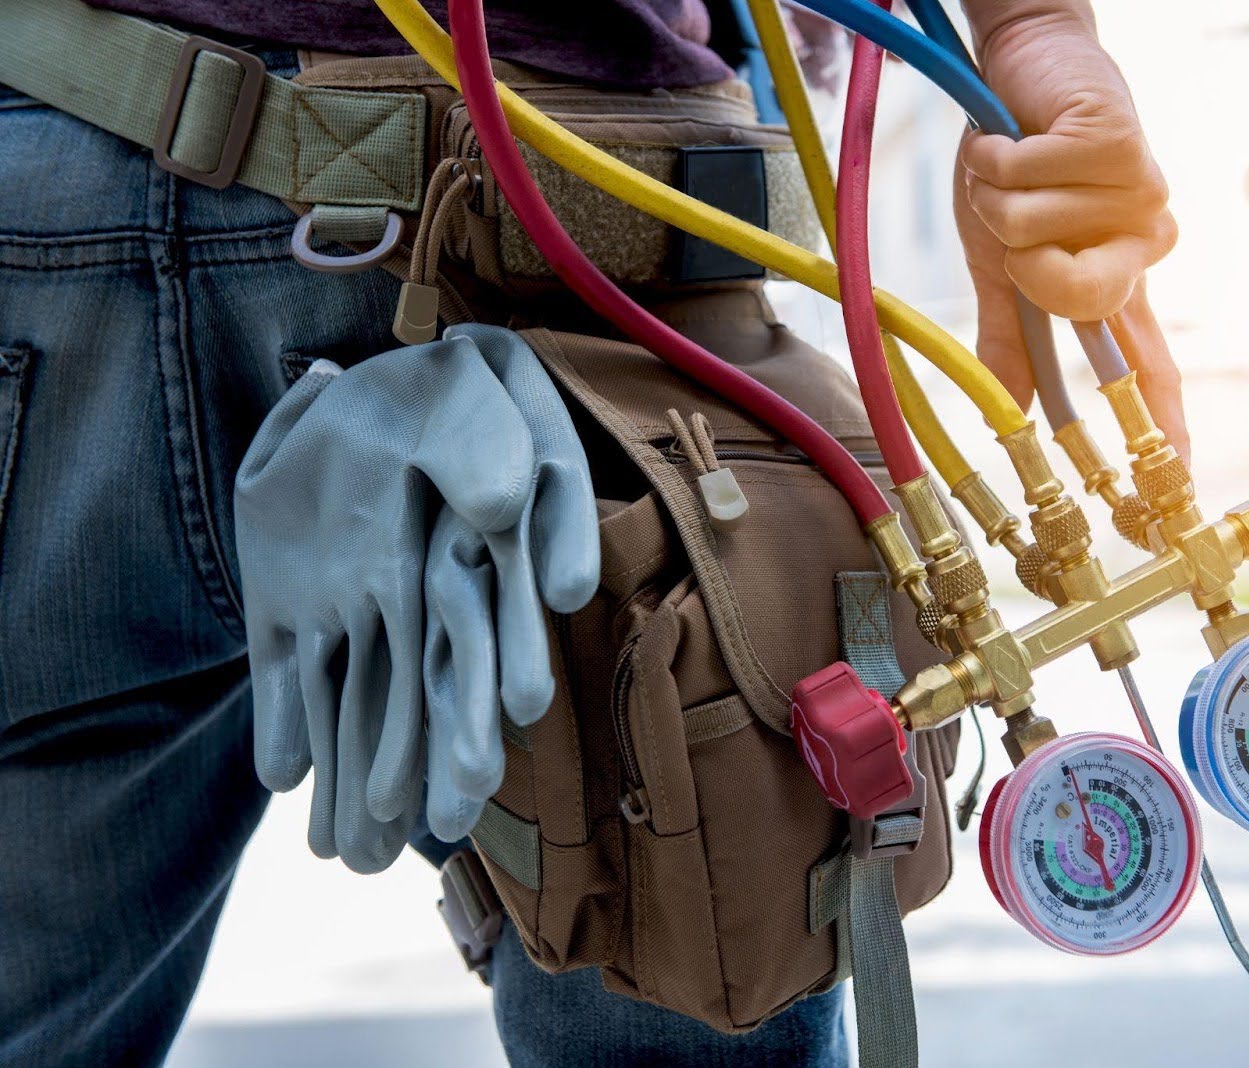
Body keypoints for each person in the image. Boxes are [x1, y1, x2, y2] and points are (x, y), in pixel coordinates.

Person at [0, 1, 1182, 1065]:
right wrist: (1033, 32)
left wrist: (1037, 39)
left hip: (64, 178)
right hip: (568, 230)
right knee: (697, 955)